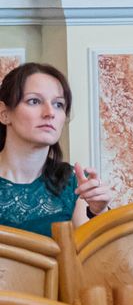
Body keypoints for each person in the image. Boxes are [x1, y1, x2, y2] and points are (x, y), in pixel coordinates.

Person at [0, 63, 110, 238]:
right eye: (34, 101)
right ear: (4, 113)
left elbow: (94, 253)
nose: (50, 112)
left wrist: (99, 212)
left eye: (58, 104)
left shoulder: (74, 184)